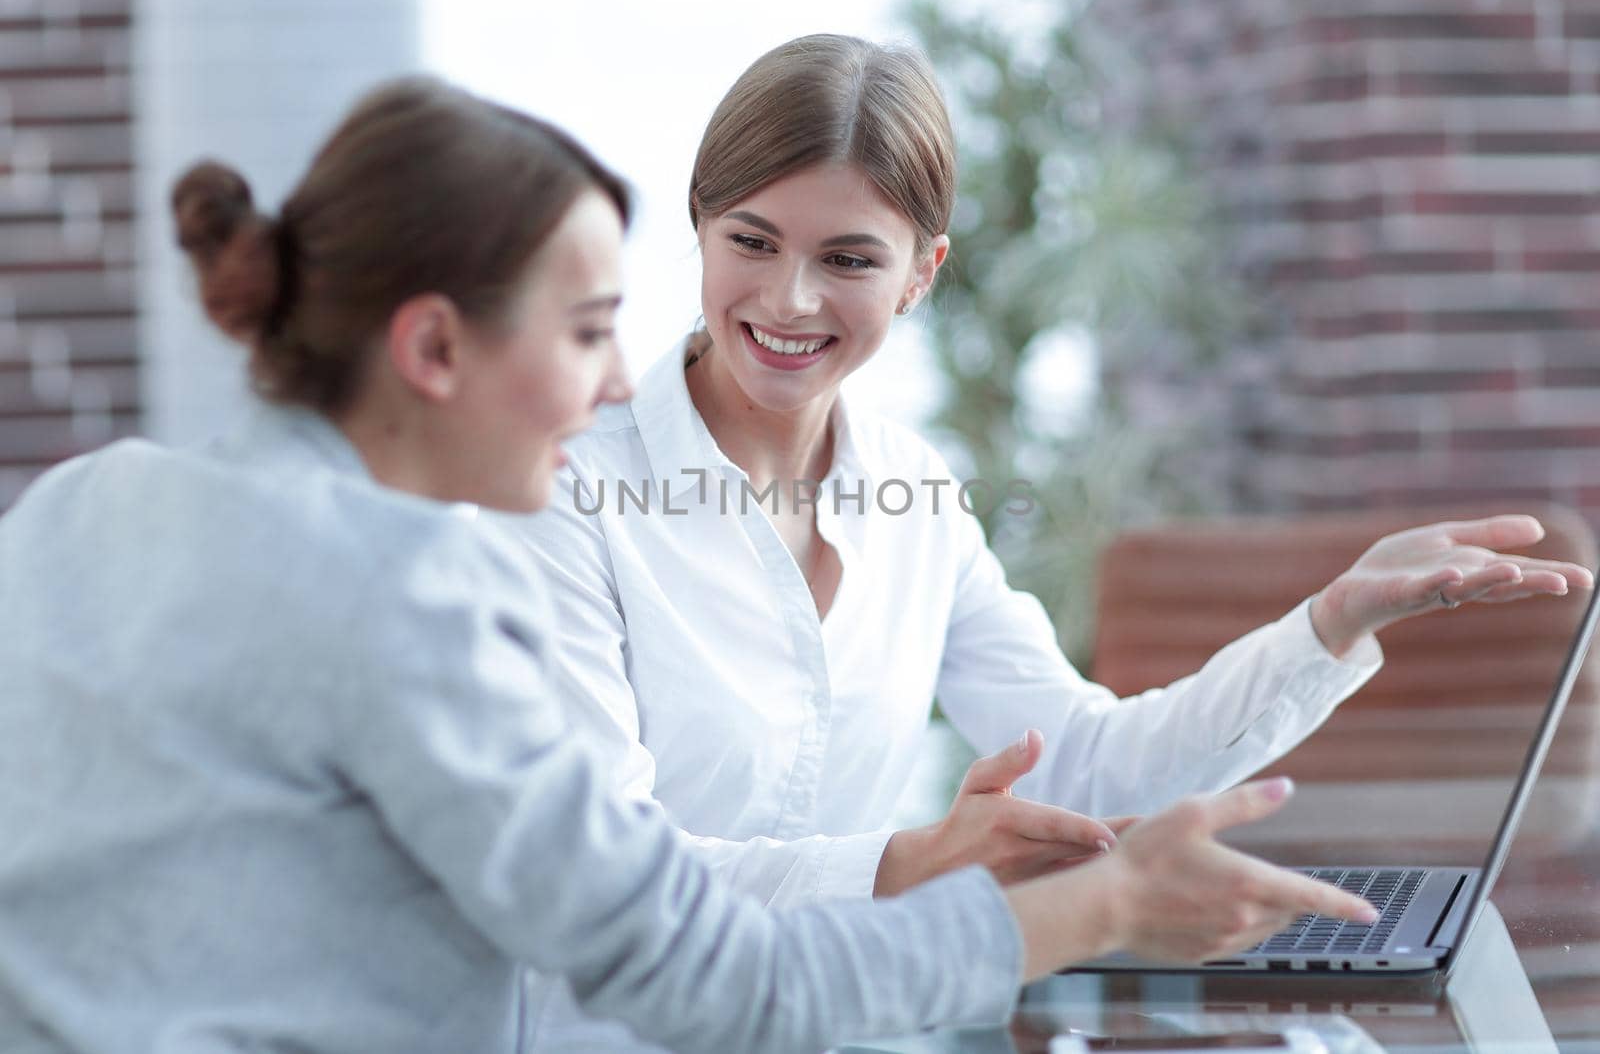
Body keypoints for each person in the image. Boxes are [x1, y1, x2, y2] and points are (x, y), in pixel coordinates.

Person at [0, 76, 1380, 1054]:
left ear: (920, 273)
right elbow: (701, 975)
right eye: (590, 330)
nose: (616, 380)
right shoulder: (414, 600)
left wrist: (1329, 626)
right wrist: (1106, 906)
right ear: (432, 351)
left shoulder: (77, 502)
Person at [512, 34, 1594, 1050]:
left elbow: (1086, 757)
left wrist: (1329, 621)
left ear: (921, 272)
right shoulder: (564, 488)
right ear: (700, 225)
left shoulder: (910, 487)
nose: (789, 297)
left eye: (847, 257)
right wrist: (906, 862)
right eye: (751, 240)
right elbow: (604, 873)